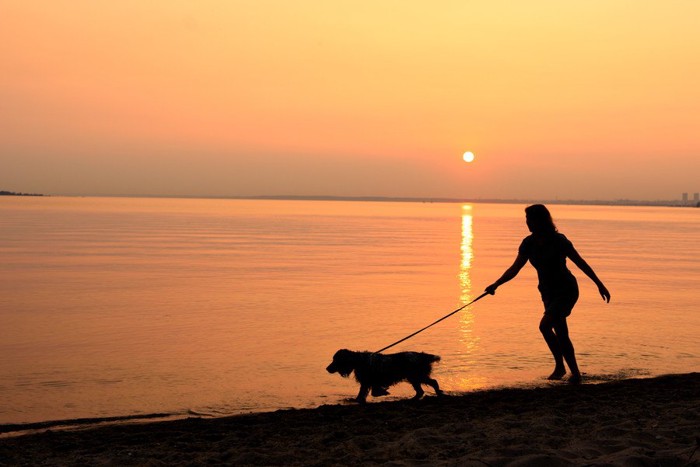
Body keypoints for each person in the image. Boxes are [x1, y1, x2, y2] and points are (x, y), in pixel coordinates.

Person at [485, 204, 610, 384]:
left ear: (541, 221)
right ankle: (574, 373)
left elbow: (580, 262)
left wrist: (599, 284)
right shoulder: (528, 243)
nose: (528, 223)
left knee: (545, 326)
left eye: (531, 219)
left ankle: (561, 367)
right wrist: (496, 284)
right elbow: (515, 268)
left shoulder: (559, 240)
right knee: (561, 331)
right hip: (547, 291)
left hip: (566, 289)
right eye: (526, 220)